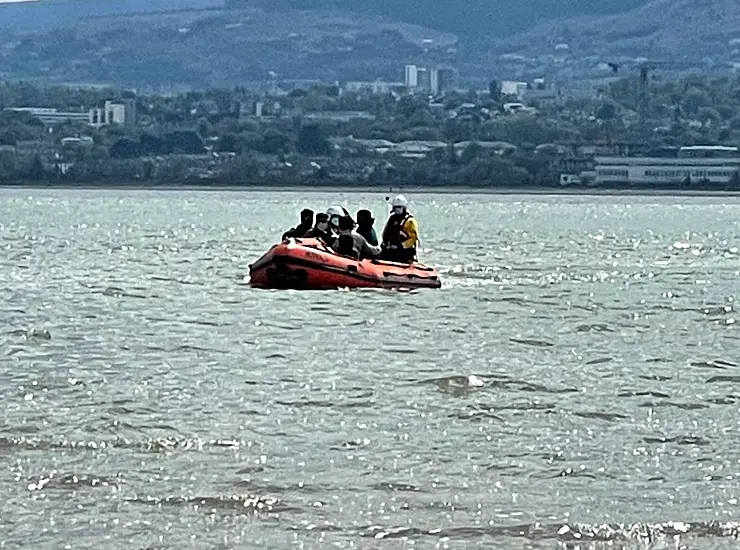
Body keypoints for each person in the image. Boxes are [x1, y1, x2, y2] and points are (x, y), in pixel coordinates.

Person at [380, 194, 419, 263]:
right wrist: (385, 244)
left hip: (404, 252)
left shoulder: (410, 221)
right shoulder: (392, 219)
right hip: (390, 250)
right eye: (396, 207)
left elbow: (412, 239)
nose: (397, 210)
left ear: (404, 207)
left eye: (399, 207)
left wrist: (400, 246)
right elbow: (385, 233)